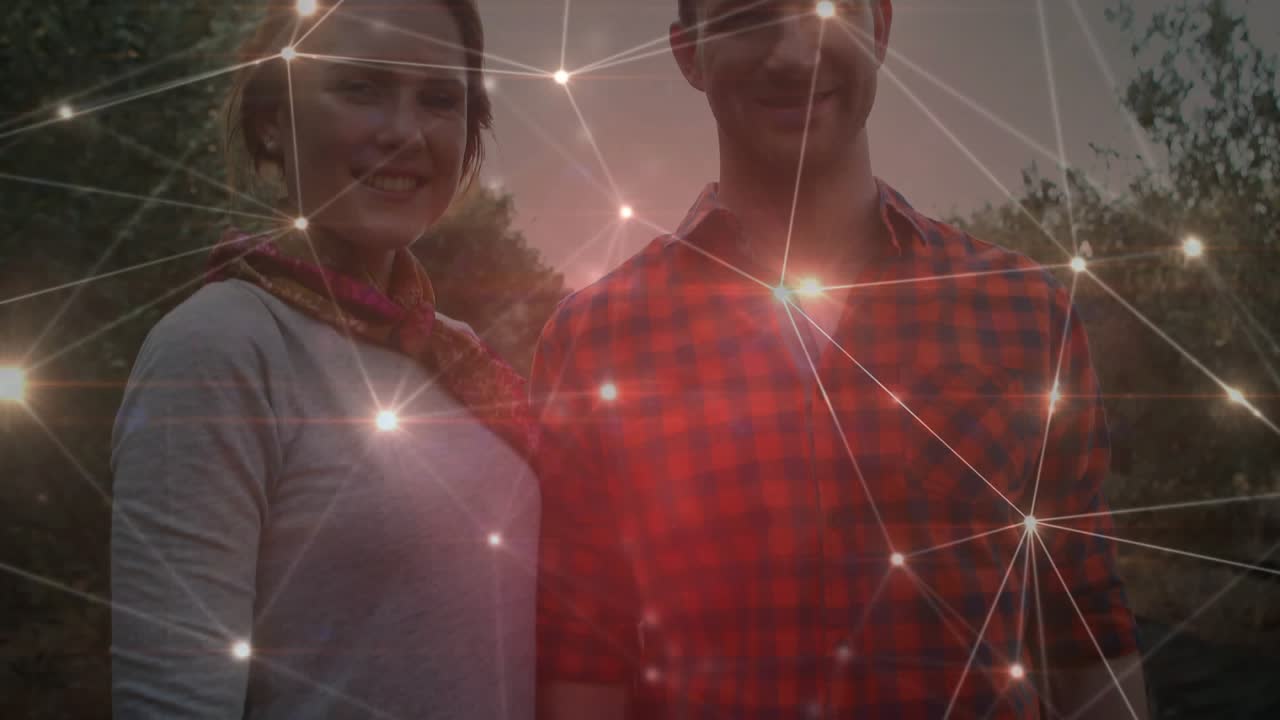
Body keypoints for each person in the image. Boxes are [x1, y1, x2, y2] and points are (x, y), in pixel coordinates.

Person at [532, 1, 1149, 718]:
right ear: (689, 55)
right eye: (749, 16)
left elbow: (1086, 623)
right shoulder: (595, 339)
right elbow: (586, 658)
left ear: (880, 29)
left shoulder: (1022, 310)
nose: (795, 52)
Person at [110, 1, 539, 717]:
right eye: (361, 86)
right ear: (274, 118)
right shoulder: (221, 348)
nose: (404, 132)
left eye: (439, 98)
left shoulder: (457, 353)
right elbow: (173, 702)